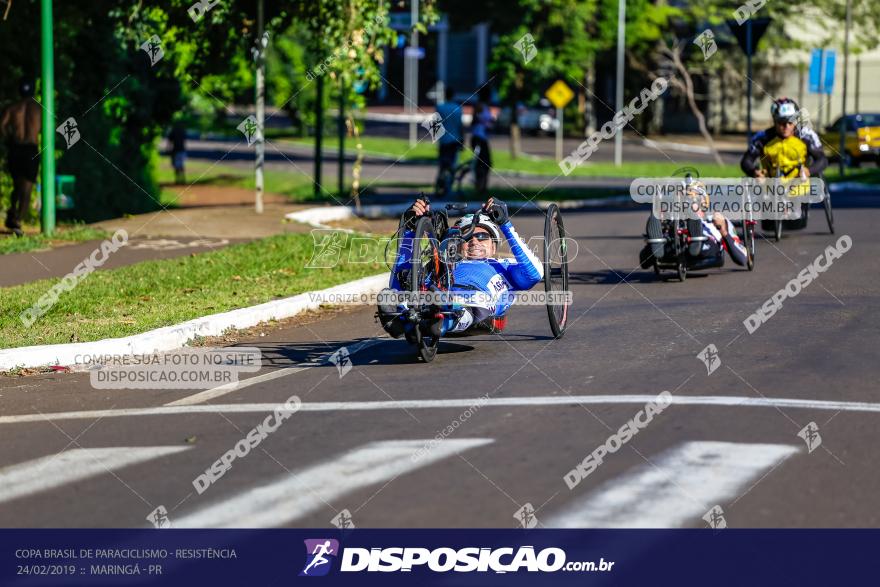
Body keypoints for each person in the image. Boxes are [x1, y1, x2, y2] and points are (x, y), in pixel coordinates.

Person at [377, 197, 543, 338]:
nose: (474, 241)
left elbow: (534, 274)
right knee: (396, 292)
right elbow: (402, 280)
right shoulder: (444, 265)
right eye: (467, 237)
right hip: (436, 296)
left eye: (482, 236)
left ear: (494, 247)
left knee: (471, 301)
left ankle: (441, 321)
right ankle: (399, 320)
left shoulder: (506, 266)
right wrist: (410, 230)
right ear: (456, 245)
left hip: (476, 303)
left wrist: (505, 224)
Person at [639, 178, 748, 270]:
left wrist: (723, 230)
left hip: (707, 245)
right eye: (684, 199)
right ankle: (656, 241)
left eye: (692, 199)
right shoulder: (673, 219)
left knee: (697, 237)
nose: (687, 202)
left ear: (702, 201)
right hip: (674, 243)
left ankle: (695, 237)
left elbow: (742, 258)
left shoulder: (715, 219)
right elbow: (644, 264)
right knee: (663, 240)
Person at [741, 98, 828, 179]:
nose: (786, 126)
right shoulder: (762, 138)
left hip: (801, 189)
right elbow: (746, 161)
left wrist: (808, 171)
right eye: (782, 122)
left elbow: (822, 160)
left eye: (790, 122)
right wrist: (755, 172)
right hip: (770, 189)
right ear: (775, 121)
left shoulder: (807, 135)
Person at [1, 77, 42, 237]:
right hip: (31, 149)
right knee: (27, 187)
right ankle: (18, 219)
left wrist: (9, 139)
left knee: (17, 183)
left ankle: (13, 210)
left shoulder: (12, 108)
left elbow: (2, 127)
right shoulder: (39, 109)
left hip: (16, 148)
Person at [434, 86, 463, 197]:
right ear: (453, 96)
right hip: (454, 141)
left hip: (443, 140)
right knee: (452, 165)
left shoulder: (440, 107)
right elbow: (460, 126)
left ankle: (440, 184)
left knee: (442, 164)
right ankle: (448, 186)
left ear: (445, 95)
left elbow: (436, 125)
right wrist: (462, 140)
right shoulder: (457, 108)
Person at [470, 96, 493, 197]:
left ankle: (482, 186)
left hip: (483, 138)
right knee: (481, 164)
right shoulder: (480, 107)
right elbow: (474, 121)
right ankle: (480, 187)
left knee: (486, 164)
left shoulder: (485, 107)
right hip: (478, 138)